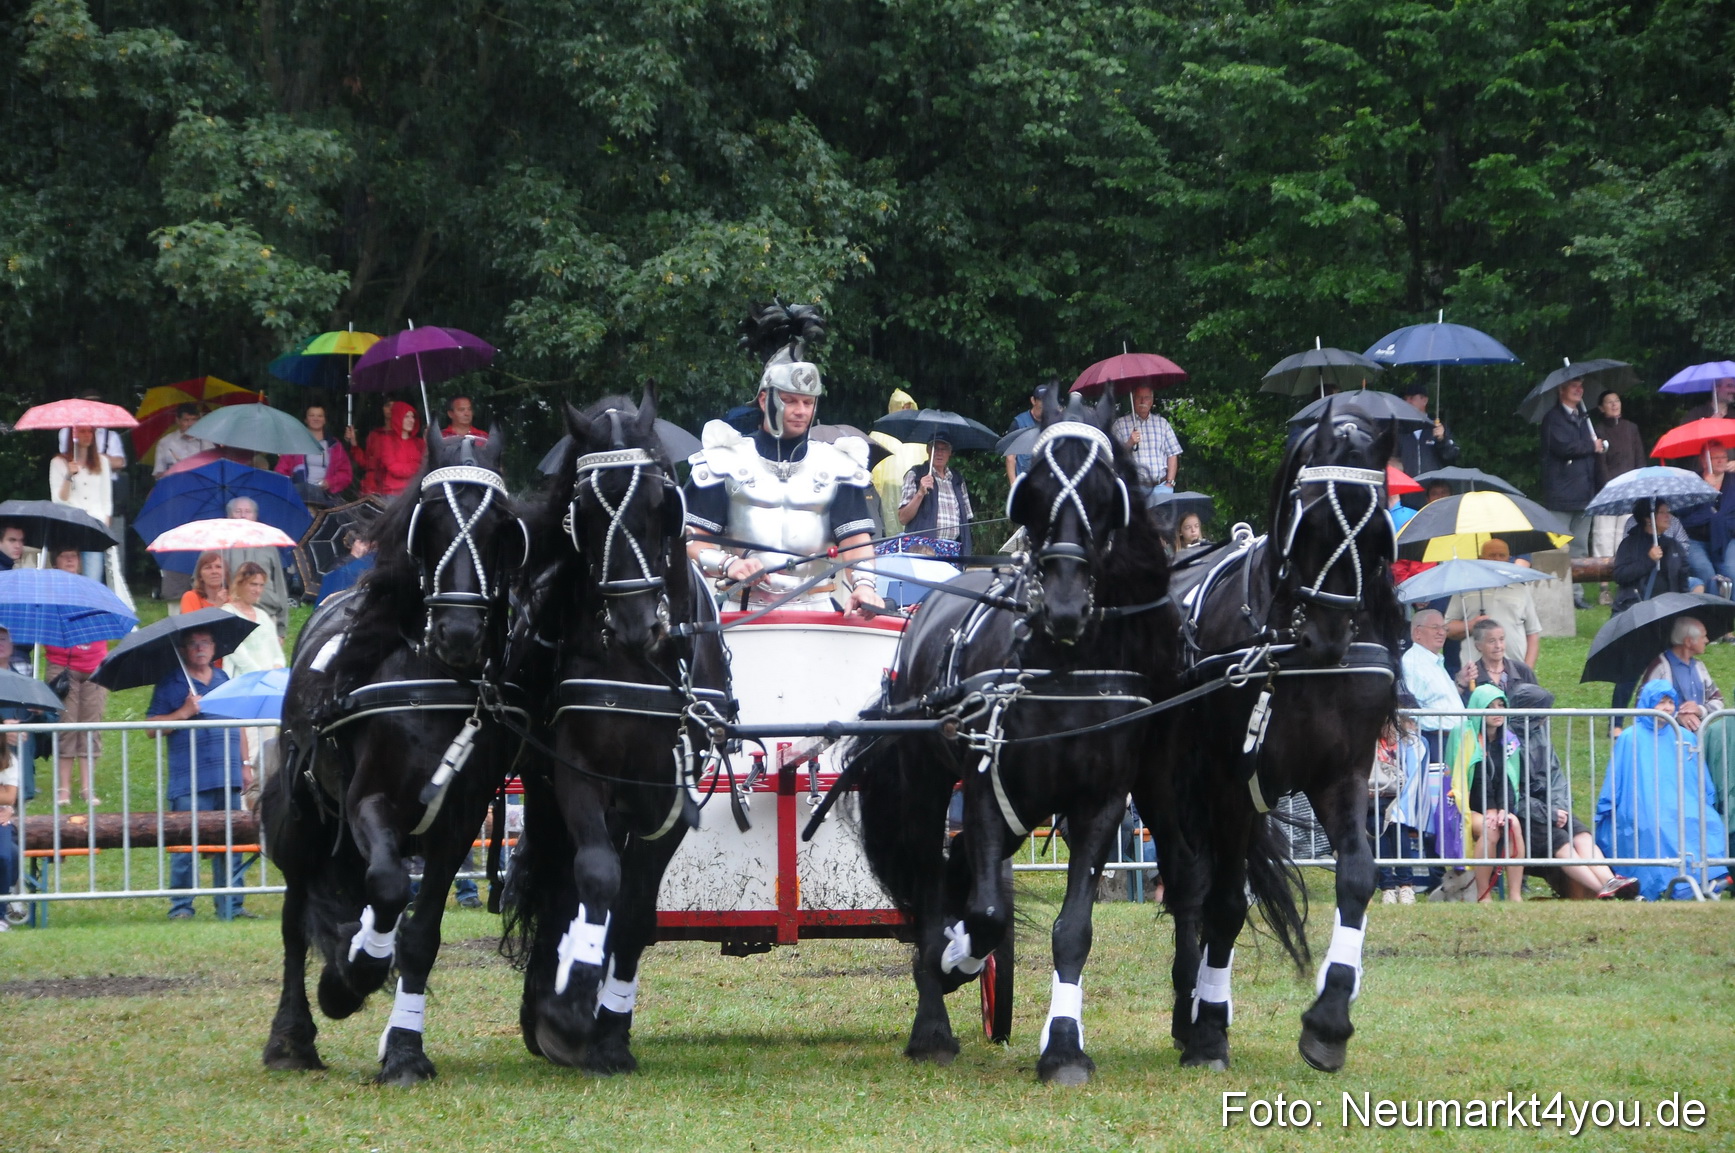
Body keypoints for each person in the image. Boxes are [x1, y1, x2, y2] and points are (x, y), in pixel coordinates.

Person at [684, 312, 883, 616]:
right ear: (765, 400)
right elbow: (690, 541)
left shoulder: (837, 466)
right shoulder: (725, 460)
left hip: (817, 607)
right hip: (742, 608)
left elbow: (855, 544)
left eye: (807, 402)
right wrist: (729, 563)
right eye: (790, 400)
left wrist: (865, 586)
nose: (801, 411)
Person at [147, 629, 253, 920]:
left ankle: (231, 904)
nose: (199, 648)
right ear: (183, 649)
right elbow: (151, 727)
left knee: (231, 843)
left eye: (205, 642)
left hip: (228, 774)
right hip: (189, 779)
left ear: (214, 646)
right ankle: (181, 906)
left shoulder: (224, 680)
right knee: (185, 843)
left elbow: (239, 723)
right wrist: (183, 712)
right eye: (193, 644)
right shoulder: (171, 682)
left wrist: (244, 764)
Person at [1596, 679, 1730, 900]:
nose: (1667, 708)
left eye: (1670, 702)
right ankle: (1670, 885)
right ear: (1648, 703)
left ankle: (1704, 878)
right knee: (1657, 824)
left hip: (1681, 802)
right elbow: (1617, 779)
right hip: (1643, 806)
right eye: (1661, 702)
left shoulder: (1684, 736)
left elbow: (1698, 779)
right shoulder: (1630, 737)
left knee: (1706, 820)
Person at [1507, 685, 1639, 899]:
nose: (1546, 718)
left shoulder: (1540, 734)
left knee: (1581, 833)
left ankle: (1609, 881)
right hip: (1525, 816)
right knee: (1561, 840)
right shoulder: (1508, 741)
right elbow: (1511, 794)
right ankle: (1603, 891)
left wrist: (1558, 807)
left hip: (1550, 807)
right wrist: (1547, 813)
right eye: (1542, 712)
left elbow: (1556, 775)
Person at [1446, 684, 1529, 902]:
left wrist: (1504, 810)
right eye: (1490, 706)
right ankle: (1484, 895)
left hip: (1495, 806)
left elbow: (1509, 781)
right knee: (1489, 829)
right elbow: (1472, 780)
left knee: (1513, 825)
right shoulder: (1463, 735)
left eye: (1501, 705)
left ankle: (1515, 895)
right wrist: (1491, 809)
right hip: (1465, 806)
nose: (1497, 711)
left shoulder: (1509, 740)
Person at [42, 549, 110, 806]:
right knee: (66, 725)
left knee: (90, 726)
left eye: (75, 556)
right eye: (65, 555)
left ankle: (87, 788)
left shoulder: (93, 590)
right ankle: (63, 789)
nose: (70, 559)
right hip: (62, 666)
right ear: (55, 560)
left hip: (94, 665)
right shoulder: (49, 594)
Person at [1538, 377, 1603, 608]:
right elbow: (1563, 447)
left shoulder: (1584, 419)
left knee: (1579, 547)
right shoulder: (1552, 419)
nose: (1579, 389)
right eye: (1574, 385)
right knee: (1557, 546)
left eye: (1581, 385)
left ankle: (1576, 593)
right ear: (1561, 389)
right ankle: (1555, 591)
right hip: (1562, 495)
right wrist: (1591, 446)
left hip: (1585, 494)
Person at [1443, 539, 1543, 670]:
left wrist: (1527, 671)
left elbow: (1532, 634)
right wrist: (1471, 625)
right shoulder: (1465, 589)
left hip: (1514, 672)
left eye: (1502, 555)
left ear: (1509, 559)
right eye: (1492, 555)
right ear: (1481, 558)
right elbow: (1448, 628)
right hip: (1475, 673)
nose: (1497, 559)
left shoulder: (1521, 589)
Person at [1590, 391, 1646, 601]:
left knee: (1625, 538)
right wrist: (1611, 487)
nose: (1614, 405)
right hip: (1606, 493)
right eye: (1609, 402)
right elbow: (1599, 465)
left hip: (1630, 492)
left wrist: (1636, 486)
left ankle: (1625, 583)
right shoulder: (1598, 430)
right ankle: (1603, 587)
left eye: (1617, 401)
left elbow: (1639, 459)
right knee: (1603, 538)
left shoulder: (1631, 429)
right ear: (1602, 408)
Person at [894, 431, 973, 559]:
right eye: (935, 448)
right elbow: (903, 518)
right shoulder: (916, 474)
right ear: (928, 450)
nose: (939, 453)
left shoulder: (957, 479)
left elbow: (966, 519)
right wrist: (920, 493)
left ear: (950, 453)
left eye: (944, 449)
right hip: (923, 550)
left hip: (954, 549)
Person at [1636, 617, 1724, 732]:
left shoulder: (1699, 666)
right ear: (1688, 641)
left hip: (1697, 740)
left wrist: (1700, 710)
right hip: (1665, 740)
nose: (1707, 640)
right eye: (1703, 636)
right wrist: (1676, 717)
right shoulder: (1659, 666)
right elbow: (1642, 704)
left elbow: (1718, 700)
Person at [48, 425, 112, 582]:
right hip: (70, 524)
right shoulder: (58, 462)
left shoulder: (102, 461)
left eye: (90, 431)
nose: (87, 435)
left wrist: (105, 528)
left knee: (93, 577)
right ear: (73, 435)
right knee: (68, 576)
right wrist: (69, 475)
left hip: (94, 527)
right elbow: (58, 499)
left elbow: (106, 500)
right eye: (82, 431)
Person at [219, 497, 290, 637]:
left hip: (266, 614)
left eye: (248, 511)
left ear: (255, 516)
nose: (243, 516)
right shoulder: (218, 546)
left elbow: (280, 585)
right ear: (229, 516)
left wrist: (281, 628)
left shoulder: (268, 545)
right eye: (238, 511)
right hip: (232, 615)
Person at [1612, 499, 1695, 614]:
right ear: (1648, 518)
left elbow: (1683, 582)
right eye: (1662, 512)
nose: (1668, 516)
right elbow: (1620, 575)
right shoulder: (1630, 544)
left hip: (1670, 608)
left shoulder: (1674, 545)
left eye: (1668, 512)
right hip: (1636, 607)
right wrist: (1649, 560)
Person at [1400, 609, 1463, 763]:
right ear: (1417, 633)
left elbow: (1439, 702)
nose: (1442, 633)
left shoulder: (1434, 661)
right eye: (1435, 628)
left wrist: (1462, 681)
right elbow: (1408, 707)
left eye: (1444, 628)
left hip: (1452, 740)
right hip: (1435, 741)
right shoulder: (1412, 662)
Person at [1674, 443, 1735, 593]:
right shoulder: (1691, 481)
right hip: (1695, 540)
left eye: (1724, 457)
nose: (1721, 461)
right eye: (1716, 458)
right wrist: (1702, 490)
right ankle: (1712, 610)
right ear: (1704, 460)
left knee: (1731, 570)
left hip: (1728, 538)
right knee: (1705, 572)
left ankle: (1731, 609)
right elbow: (1681, 511)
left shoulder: (1733, 479)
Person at [1109, 385, 1181, 502]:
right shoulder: (1120, 425)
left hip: (1161, 488)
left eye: (1147, 397)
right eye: (1139, 397)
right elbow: (1114, 456)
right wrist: (1129, 443)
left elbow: (1172, 454)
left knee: (1161, 521)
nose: (1143, 401)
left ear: (1152, 401)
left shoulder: (1162, 424)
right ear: (1133, 399)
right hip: (1134, 488)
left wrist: (1170, 482)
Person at [871, 389, 927, 538]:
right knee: (890, 522)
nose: (906, 411)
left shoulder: (920, 435)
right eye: (902, 407)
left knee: (913, 526)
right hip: (888, 490)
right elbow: (873, 464)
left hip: (914, 487)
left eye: (909, 407)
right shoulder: (879, 434)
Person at [273, 405, 353, 508]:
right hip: (299, 495)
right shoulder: (295, 443)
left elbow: (346, 474)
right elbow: (281, 471)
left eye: (320, 416)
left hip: (327, 498)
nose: (316, 418)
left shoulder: (334, 445)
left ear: (324, 420)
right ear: (306, 419)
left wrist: (330, 482)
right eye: (312, 415)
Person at [348, 400, 426, 498]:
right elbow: (393, 467)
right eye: (406, 416)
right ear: (398, 416)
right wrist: (416, 467)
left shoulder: (419, 442)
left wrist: (429, 440)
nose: (411, 420)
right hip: (389, 491)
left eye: (413, 416)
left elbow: (427, 465)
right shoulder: (383, 439)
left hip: (414, 491)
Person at [1454, 618, 1539, 699]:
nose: (1498, 646)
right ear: (1478, 646)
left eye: (1501, 639)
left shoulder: (1522, 671)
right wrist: (1461, 684)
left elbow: (1537, 702)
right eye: (1491, 641)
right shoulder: (1471, 675)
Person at [1394, 381, 1460, 476]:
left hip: (1433, 487)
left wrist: (1441, 439)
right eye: (1405, 399)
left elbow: (1451, 457)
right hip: (1407, 486)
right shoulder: (1398, 429)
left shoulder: (1438, 427)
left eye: (1411, 398)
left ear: (1424, 400)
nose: (1407, 402)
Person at [152, 403, 215, 476]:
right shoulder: (165, 442)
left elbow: (213, 469)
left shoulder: (206, 441)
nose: (190, 424)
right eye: (186, 420)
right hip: (175, 484)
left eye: (194, 420)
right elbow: (158, 473)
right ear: (178, 420)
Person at [318, 532, 376, 602]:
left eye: (368, 543)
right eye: (363, 542)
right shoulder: (341, 565)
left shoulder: (370, 563)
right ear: (353, 544)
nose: (367, 547)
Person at [1004, 387, 1044, 483]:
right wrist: (1014, 486)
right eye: (1041, 400)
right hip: (1024, 484)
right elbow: (1010, 458)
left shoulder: (1052, 424)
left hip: (1047, 484)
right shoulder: (1019, 422)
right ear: (1033, 401)